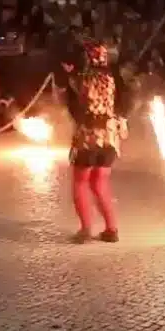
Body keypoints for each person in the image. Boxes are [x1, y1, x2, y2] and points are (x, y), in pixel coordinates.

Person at [65, 40, 129, 244]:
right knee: (100, 182)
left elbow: (73, 107)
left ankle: (85, 230)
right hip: (110, 136)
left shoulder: (80, 79)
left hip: (88, 136)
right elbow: (125, 102)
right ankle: (111, 229)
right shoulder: (114, 77)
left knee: (81, 182)